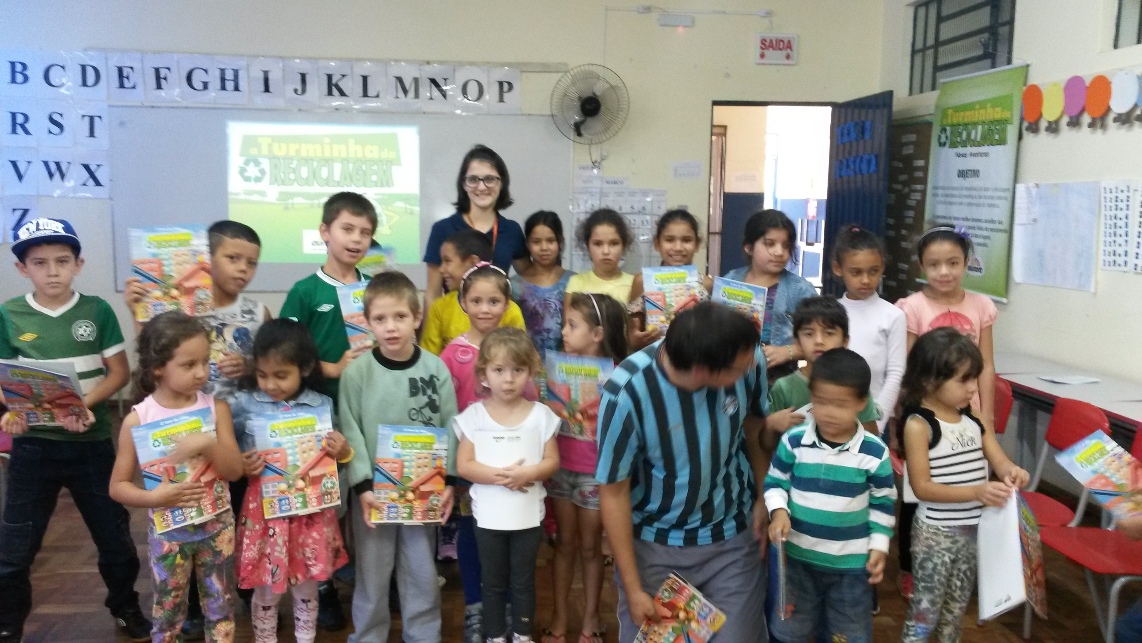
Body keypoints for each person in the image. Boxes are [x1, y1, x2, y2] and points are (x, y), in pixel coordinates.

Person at [0, 218, 150, 643]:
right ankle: (10, 622)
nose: (52, 271)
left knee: (115, 540)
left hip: (93, 445)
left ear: (78, 264)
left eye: (62, 261)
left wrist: (80, 404)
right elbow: (4, 378)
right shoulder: (8, 314)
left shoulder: (97, 310)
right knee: (15, 547)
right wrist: (12, 409)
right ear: (21, 268)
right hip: (33, 448)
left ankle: (125, 608)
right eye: (40, 262)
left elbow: (118, 373)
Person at [126, 219, 270, 636]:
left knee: (234, 516)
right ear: (206, 261)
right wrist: (138, 306)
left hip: (238, 432)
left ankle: (232, 592)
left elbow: (270, 363)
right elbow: (154, 346)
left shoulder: (256, 312)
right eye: (232, 258)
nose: (243, 268)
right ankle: (187, 606)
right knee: (188, 518)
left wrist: (249, 366)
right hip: (181, 441)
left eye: (252, 263)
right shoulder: (182, 305)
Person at [596, 302, 770, 643]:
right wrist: (633, 589)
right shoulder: (626, 392)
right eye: (737, 369)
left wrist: (764, 496)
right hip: (655, 545)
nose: (749, 367)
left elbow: (753, 426)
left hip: (732, 537)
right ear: (705, 371)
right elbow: (613, 491)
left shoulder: (748, 357)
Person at [109, 312, 245, 643]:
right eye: (188, 365)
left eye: (204, 361)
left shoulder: (217, 409)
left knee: (222, 609)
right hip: (170, 534)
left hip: (218, 529)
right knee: (168, 614)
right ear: (158, 367)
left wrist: (209, 445)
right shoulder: (138, 419)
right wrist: (153, 498)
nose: (201, 372)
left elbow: (235, 471)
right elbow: (117, 487)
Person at [339, 272, 458, 643]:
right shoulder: (356, 373)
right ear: (367, 322)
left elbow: (451, 425)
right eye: (380, 319)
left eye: (400, 317)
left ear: (417, 318)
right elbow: (350, 428)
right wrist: (362, 486)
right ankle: (368, 635)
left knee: (421, 568)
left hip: (422, 489)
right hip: (373, 492)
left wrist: (449, 482)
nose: (391, 328)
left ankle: (423, 634)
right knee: (372, 572)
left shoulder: (435, 368)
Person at [280, 191, 378, 630]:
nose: (356, 239)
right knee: (324, 503)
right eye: (347, 229)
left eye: (365, 233)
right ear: (325, 232)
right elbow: (287, 353)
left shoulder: (373, 288)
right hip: (321, 413)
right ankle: (323, 585)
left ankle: (368, 577)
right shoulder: (305, 291)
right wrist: (331, 367)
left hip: (369, 410)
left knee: (366, 496)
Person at [898, 328, 1028, 642]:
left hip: (972, 533)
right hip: (935, 537)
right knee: (925, 612)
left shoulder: (976, 419)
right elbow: (922, 487)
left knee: (955, 611)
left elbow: (998, 460)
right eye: (963, 380)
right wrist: (976, 492)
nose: (973, 388)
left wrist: (1012, 471)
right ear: (929, 380)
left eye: (975, 378)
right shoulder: (919, 425)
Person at [894, 224, 998, 601]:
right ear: (922, 265)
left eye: (953, 263)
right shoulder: (911, 307)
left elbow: (986, 365)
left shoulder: (982, 306)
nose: (944, 272)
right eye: (934, 264)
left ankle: (961, 562)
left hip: (968, 413)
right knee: (917, 491)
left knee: (966, 485)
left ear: (967, 262)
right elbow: (906, 367)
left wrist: (986, 415)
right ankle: (909, 565)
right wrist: (903, 418)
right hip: (925, 415)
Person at [230, 320, 351, 643]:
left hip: (310, 512)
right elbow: (226, 452)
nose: (271, 384)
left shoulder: (321, 405)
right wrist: (240, 465)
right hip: (265, 513)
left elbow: (336, 456)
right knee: (266, 588)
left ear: (306, 367)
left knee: (307, 584)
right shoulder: (244, 404)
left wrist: (343, 450)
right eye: (262, 374)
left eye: (281, 375)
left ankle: (306, 637)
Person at [764, 348, 896, 643]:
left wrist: (880, 546)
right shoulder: (794, 440)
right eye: (821, 402)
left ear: (862, 404)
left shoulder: (874, 452)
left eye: (840, 404)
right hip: (797, 560)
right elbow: (775, 482)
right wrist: (779, 512)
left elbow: (883, 503)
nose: (829, 412)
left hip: (851, 568)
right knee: (790, 632)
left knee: (846, 635)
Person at [453, 328, 561, 643]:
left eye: (517, 370)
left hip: (528, 517)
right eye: (499, 370)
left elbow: (552, 461)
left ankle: (523, 634)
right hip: (487, 518)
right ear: (484, 373)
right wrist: (504, 476)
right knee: (493, 581)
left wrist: (526, 475)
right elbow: (465, 465)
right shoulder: (474, 416)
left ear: (530, 372)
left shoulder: (542, 415)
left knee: (524, 580)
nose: (509, 379)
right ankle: (496, 635)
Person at [440, 262, 523, 641]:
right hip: (469, 466)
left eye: (494, 300)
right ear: (462, 302)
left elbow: (533, 400)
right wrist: (451, 470)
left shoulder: (518, 349)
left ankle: (505, 608)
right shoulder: (452, 355)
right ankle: (475, 606)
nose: (485, 308)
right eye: (476, 300)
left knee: (509, 538)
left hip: (512, 465)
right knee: (472, 535)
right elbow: (445, 410)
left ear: (507, 304)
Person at [542, 293, 628, 643]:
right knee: (564, 543)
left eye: (572, 325)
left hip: (598, 472)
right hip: (560, 465)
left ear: (597, 334)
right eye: (565, 323)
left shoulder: (621, 373)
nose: (563, 331)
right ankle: (561, 616)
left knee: (593, 548)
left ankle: (591, 617)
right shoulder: (556, 367)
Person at [423, 144, 529, 312]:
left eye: (490, 179)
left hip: (497, 329)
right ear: (463, 184)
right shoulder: (442, 229)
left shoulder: (512, 231)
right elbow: (433, 294)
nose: (481, 187)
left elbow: (530, 279)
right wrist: (428, 337)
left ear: (502, 183)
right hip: (453, 329)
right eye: (473, 179)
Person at [722, 209, 817, 381]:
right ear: (749, 247)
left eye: (786, 245)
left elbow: (823, 341)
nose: (780, 252)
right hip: (732, 378)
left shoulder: (801, 290)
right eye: (770, 244)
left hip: (777, 382)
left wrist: (788, 351)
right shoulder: (731, 280)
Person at [765, 297, 881, 435]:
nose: (819, 341)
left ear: (845, 342)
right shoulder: (784, 388)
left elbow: (872, 439)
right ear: (797, 342)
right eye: (809, 334)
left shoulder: (854, 384)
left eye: (829, 333)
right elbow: (768, 447)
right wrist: (771, 425)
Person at [832, 224, 905, 436]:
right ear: (838, 269)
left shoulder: (893, 315)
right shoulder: (832, 313)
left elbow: (895, 374)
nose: (865, 280)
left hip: (874, 422)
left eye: (873, 271)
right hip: (832, 417)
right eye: (856, 272)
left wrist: (876, 423)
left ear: (882, 268)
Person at [421, 229, 526, 356]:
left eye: (447, 261)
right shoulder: (440, 308)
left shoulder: (511, 312)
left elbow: (520, 356)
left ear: (472, 262)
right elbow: (430, 359)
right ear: (465, 304)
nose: (441, 269)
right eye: (475, 301)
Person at [626, 209, 713, 350]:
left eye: (686, 240)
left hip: (695, 362)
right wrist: (637, 339)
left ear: (697, 244)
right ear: (657, 243)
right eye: (669, 240)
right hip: (654, 359)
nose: (678, 248)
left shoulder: (706, 284)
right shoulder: (642, 281)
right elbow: (632, 336)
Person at [511, 211, 575, 362]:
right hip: (525, 364)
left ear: (560, 242)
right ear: (527, 244)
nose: (544, 247)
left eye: (550, 241)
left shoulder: (573, 281)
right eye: (536, 242)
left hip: (566, 364)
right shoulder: (515, 286)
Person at [564, 209, 635, 307]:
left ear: (624, 245)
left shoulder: (634, 284)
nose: (606, 251)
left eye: (614, 243)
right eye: (598, 244)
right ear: (587, 246)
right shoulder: (577, 282)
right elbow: (569, 322)